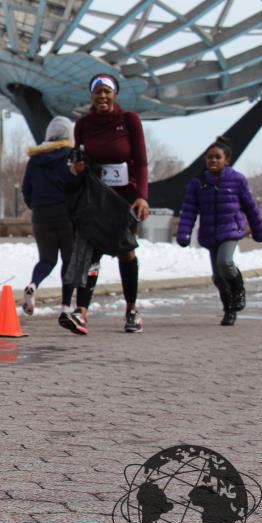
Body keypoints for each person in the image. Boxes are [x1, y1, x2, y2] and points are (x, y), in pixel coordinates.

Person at [64, 73, 149, 334]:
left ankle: (132, 310)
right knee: (90, 250)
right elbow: (78, 158)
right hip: (95, 196)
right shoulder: (83, 125)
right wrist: (76, 169)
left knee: (126, 251)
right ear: (92, 96)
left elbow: (141, 162)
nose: (102, 96)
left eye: (107, 91)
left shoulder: (129, 120)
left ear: (114, 95)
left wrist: (142, 196)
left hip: (124, 198)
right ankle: (81, 312)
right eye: (97, 92)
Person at [176, 136, 262, 325]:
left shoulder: (237, 180)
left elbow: (251, 207)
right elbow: (189, 210)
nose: (213, 160)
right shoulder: (198, 182)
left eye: (217, 157)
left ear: (227, 160)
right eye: (210, 157)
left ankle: (239, 290)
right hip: (210, 233)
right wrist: (184, 232)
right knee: (218, 277)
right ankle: (229, 310)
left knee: (225, 262)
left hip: (231, 229)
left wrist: (259, 230)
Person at [20, 116, 75, 316]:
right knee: (69, 260)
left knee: (46, 260)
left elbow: (26, 189)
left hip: (41, 216)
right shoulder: (70, 156)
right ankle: (66, 304)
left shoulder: (35, 159)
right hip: (66, 215)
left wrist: (36, 206)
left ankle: (33, 284)